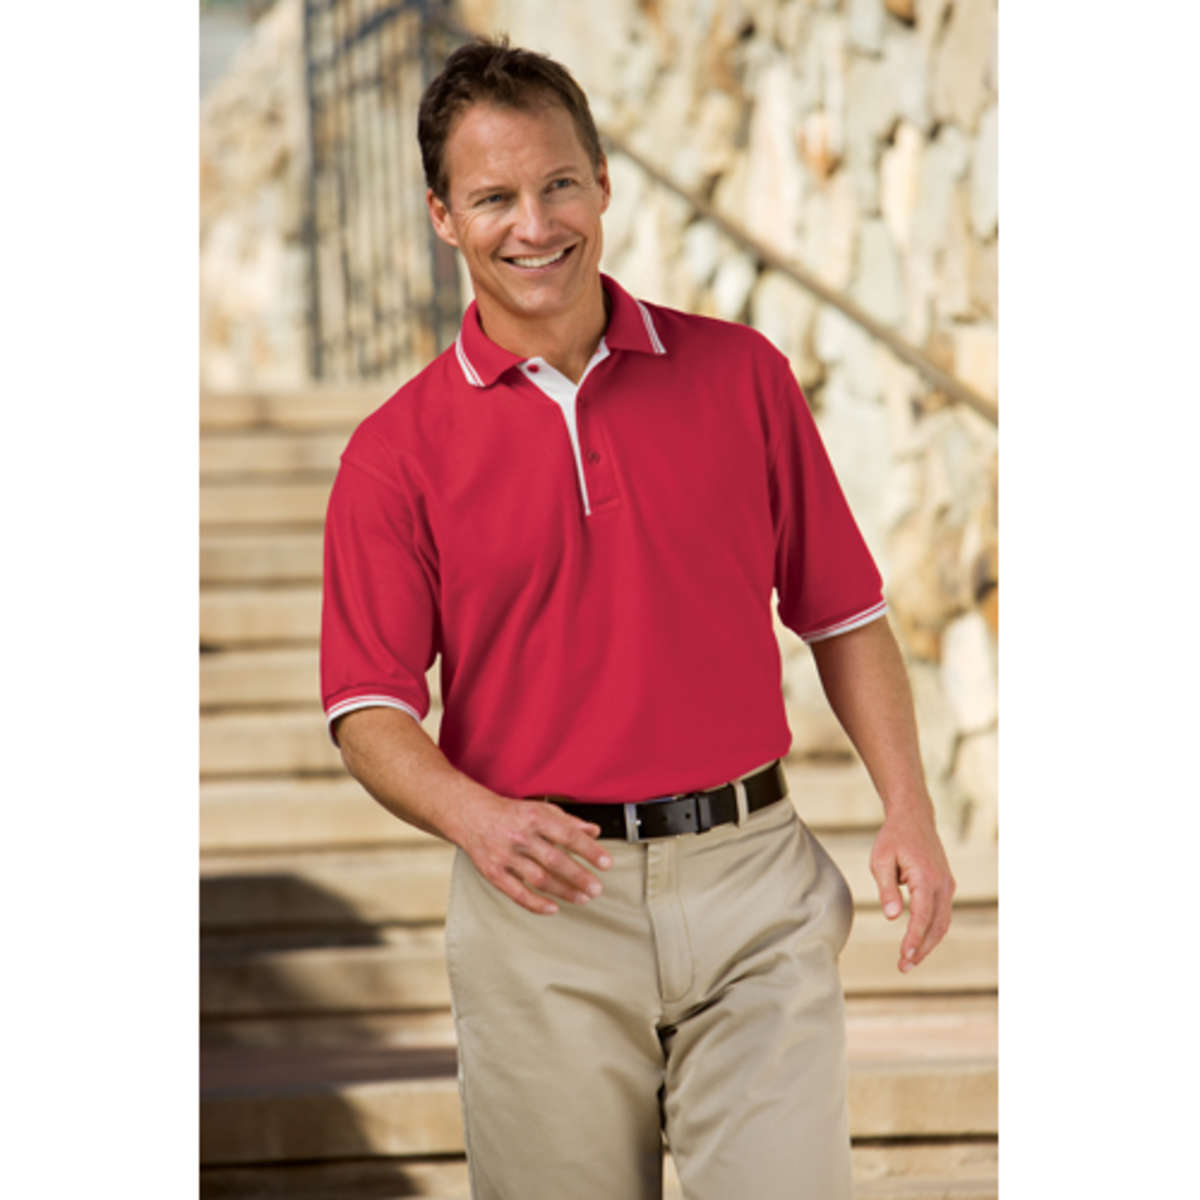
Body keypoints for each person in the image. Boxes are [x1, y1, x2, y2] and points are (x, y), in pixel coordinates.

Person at [320, 35, 956, 1200]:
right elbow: (367, 708)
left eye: (560, 183)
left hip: (753, 885)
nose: (535, 224)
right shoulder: (393, 456)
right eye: (494, 198)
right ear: (443, 217)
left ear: (605, 184)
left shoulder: (741, 376)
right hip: (541, 909)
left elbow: (845, 616)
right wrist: (473, 818)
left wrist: (907, 808)